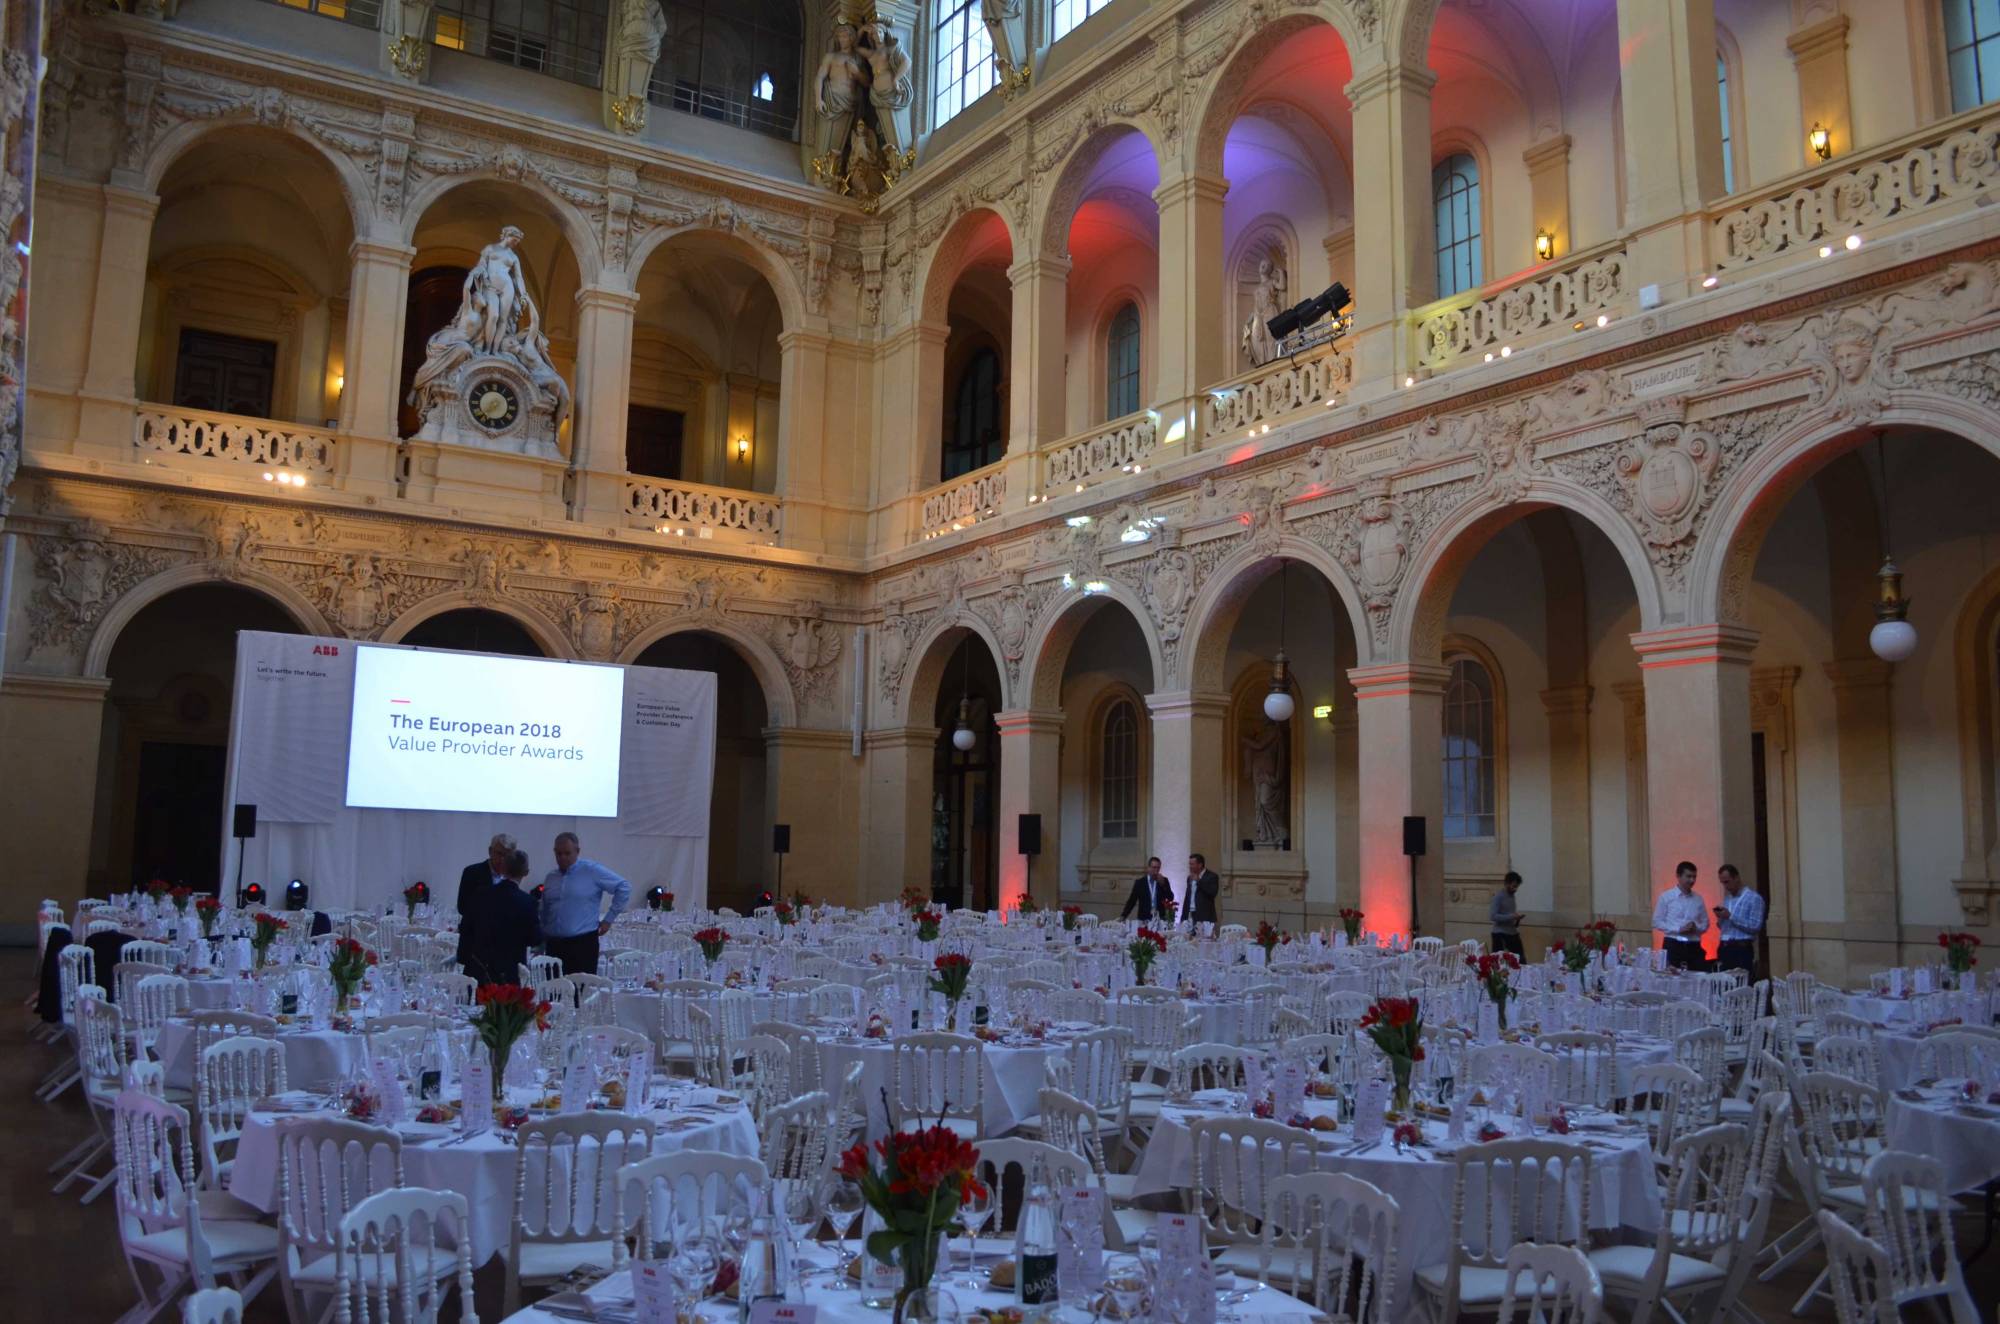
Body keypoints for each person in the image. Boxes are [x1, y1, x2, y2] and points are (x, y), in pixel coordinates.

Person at [539, 832, 630, 976]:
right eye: (559, 853)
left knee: (580, 994)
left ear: (577, 851)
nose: (562, 858)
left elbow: (623, 887)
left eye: (567, 853)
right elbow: (545, 908)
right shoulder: (551, 877)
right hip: (554, 945)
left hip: (581, 945)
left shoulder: (591, 870)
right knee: (553, 992)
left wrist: (608, 919)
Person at [464, 849, 541, 985]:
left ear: (503, 868)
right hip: (510, 970)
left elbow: (467, 927)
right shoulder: (528, 902)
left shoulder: (481, 894)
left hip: (481, 966)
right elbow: (534, 938)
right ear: (526, 873)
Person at [455, 833, 516, 970]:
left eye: (507, 855)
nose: (502, 859)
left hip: (503, 950)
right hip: (475, 946)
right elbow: (462, 906)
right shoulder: (472, 873)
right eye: (499, 853)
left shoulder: (513, 877)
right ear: (490, 851)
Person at [1652, 860, 1710, 970]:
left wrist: (1696, 928)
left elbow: (1706, 923)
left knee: (1696, 978)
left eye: (1694, 877)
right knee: (1673, 979)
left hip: (1694, 945)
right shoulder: (1666, 897)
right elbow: (1656, 922)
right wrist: (1678, 929)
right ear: (1678, 876)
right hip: (1674, 944)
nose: (1692, 880)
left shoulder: (1698, 899)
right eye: (1688, 876)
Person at [1713, 863, 1764, 976]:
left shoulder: (1754, 898)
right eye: (1722, 883)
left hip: (1741, 948)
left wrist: (1730, 916)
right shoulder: (1728, 899)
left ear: (1736, 878)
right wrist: (1721, 918)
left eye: (1727, 882)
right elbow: (1724, 926)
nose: (1725, 886)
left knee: (1741, 985)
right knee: (1723, 984)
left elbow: (1755, 927)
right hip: (1725, 946)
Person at [1490, 871, 1525, 957]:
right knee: (1500, 964)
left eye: (1517, 887)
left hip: (1512, 933)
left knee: (1520, 960)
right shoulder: (1498, 897)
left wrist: (1517, 919)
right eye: (1513, 886)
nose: (1515, 889)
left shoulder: (1512, 897)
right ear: (1506, 883)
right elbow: (1493, 916)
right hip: (1500, 935)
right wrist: (1512, 916)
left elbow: (1510, 917)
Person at [1185, 853, 1221, 930]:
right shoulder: (1189, 878)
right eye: (1189, 864)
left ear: (1200, 865)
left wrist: (1199, 881)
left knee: (1205, 940)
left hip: (1205, 916)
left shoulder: (1212, 876)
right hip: (1191, 914)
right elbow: (1187, 897)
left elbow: (1213, 893)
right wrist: (1183, 917)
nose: (1190, 867)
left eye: (1192, 864)